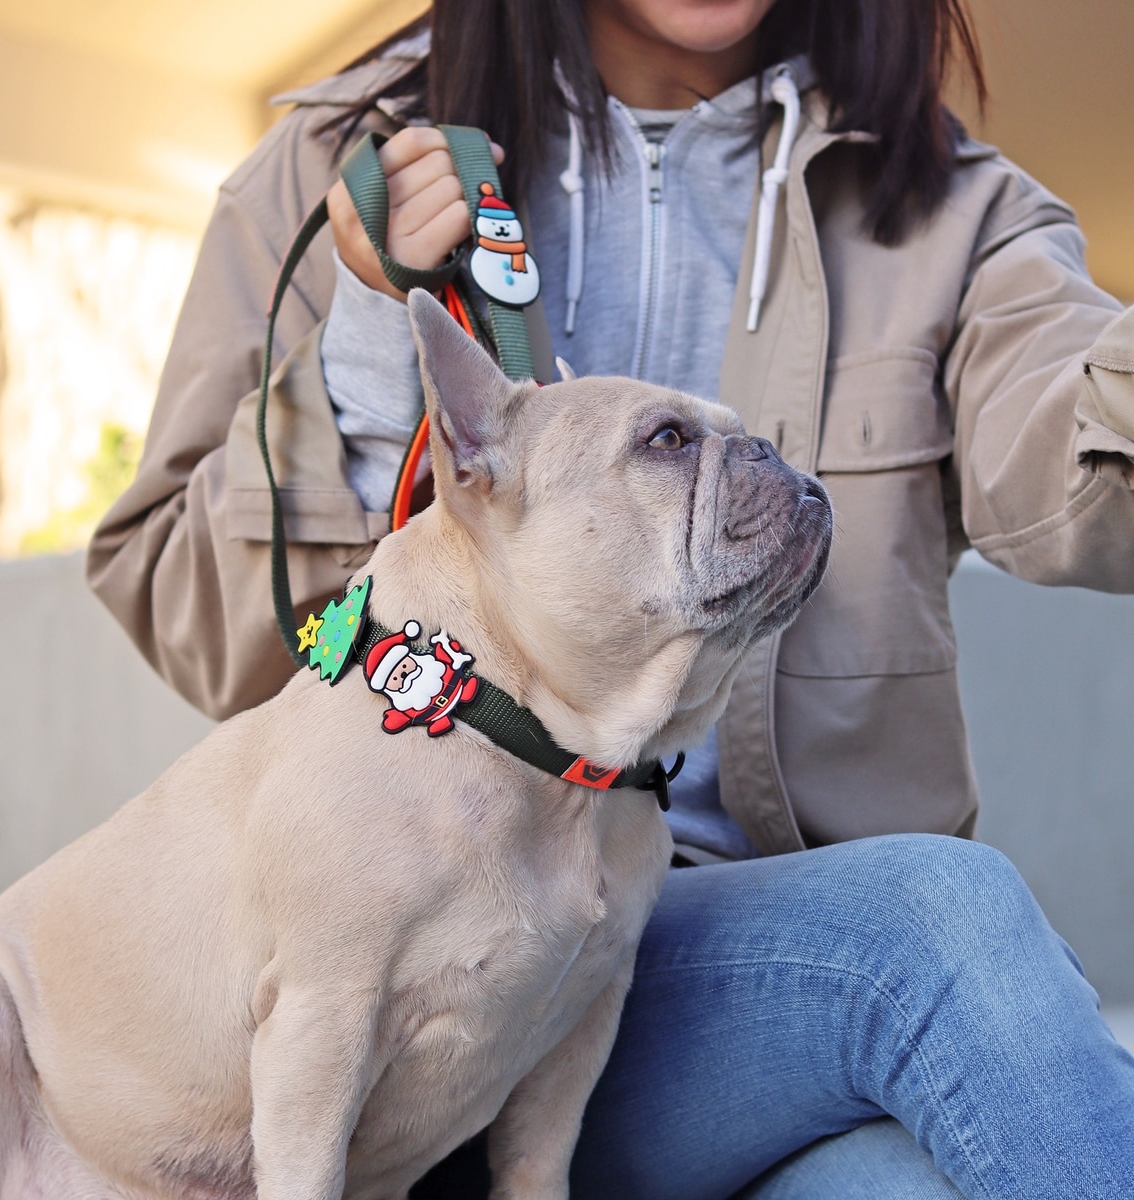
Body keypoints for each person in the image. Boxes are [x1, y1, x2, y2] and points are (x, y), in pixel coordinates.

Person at [86, 0, 1134, 1194]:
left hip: (726, 955)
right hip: (394, 990)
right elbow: (190, 608)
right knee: (938, 923)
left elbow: (1082, 484)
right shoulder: (338, 161)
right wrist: (376, 345)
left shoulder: (955, 208)